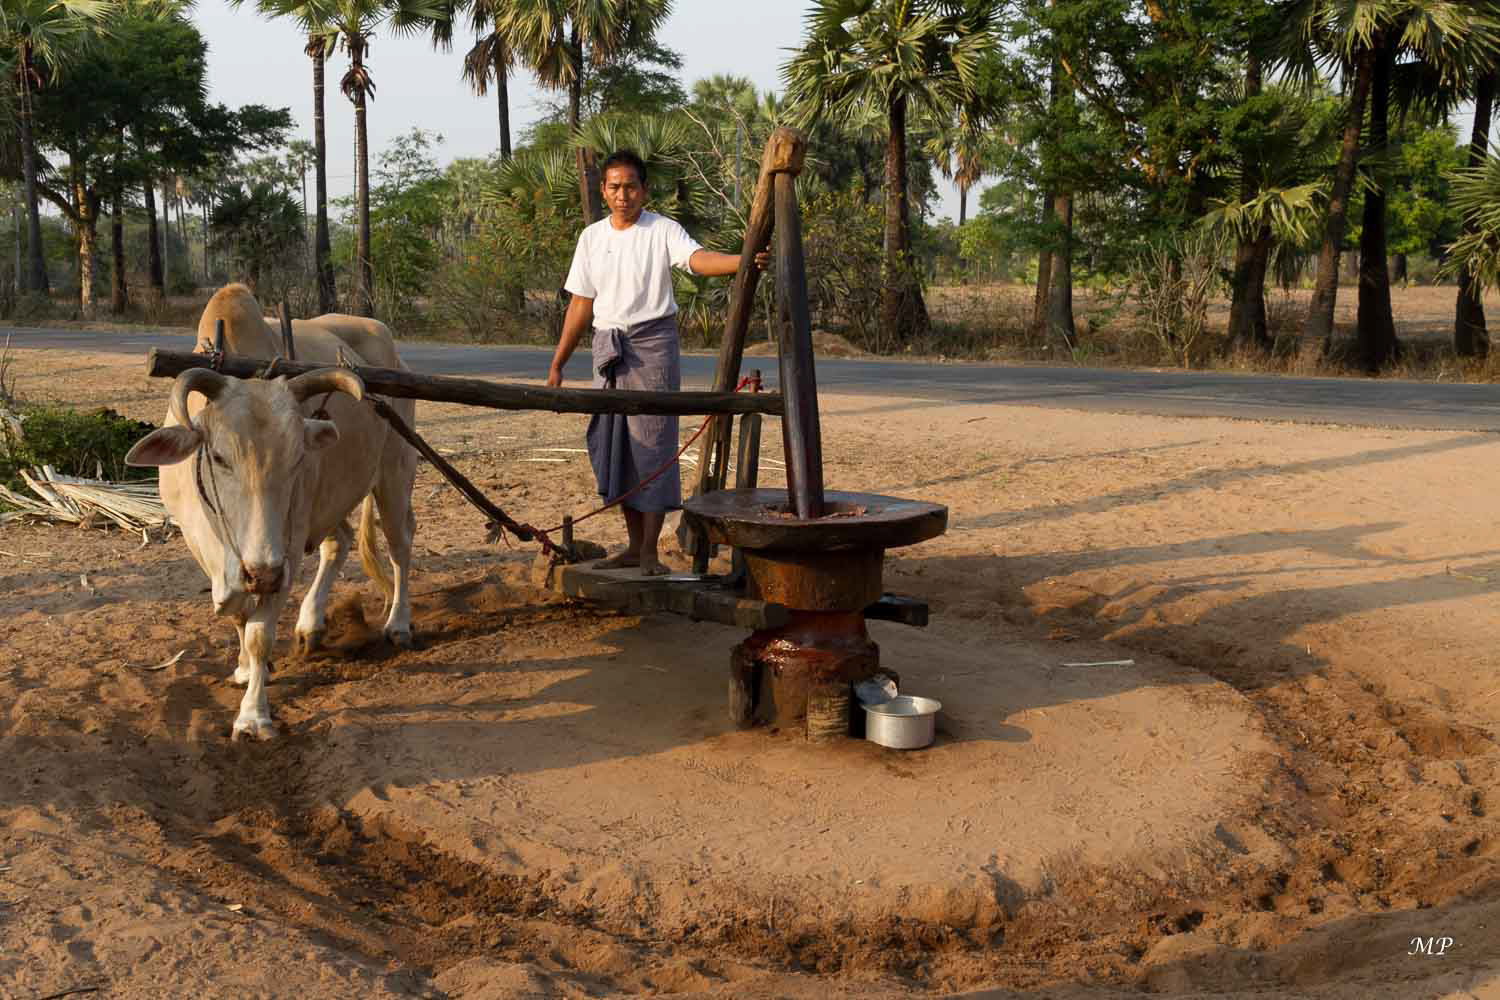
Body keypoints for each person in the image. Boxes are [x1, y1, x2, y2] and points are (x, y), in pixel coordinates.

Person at [547, 149, 762, 576]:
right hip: (608, 349)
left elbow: (696, 260)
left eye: (630, 187)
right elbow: (581, 303)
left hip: (652, 345)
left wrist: (742, 261)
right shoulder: (591, 238)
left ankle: (649, 551)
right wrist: (558, 363)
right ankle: (632, 547)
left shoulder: (661, 229)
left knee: (654, 444)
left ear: (643, 191)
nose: (622, 195)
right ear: (603, 190)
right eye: (614, 187)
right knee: (618, 446)